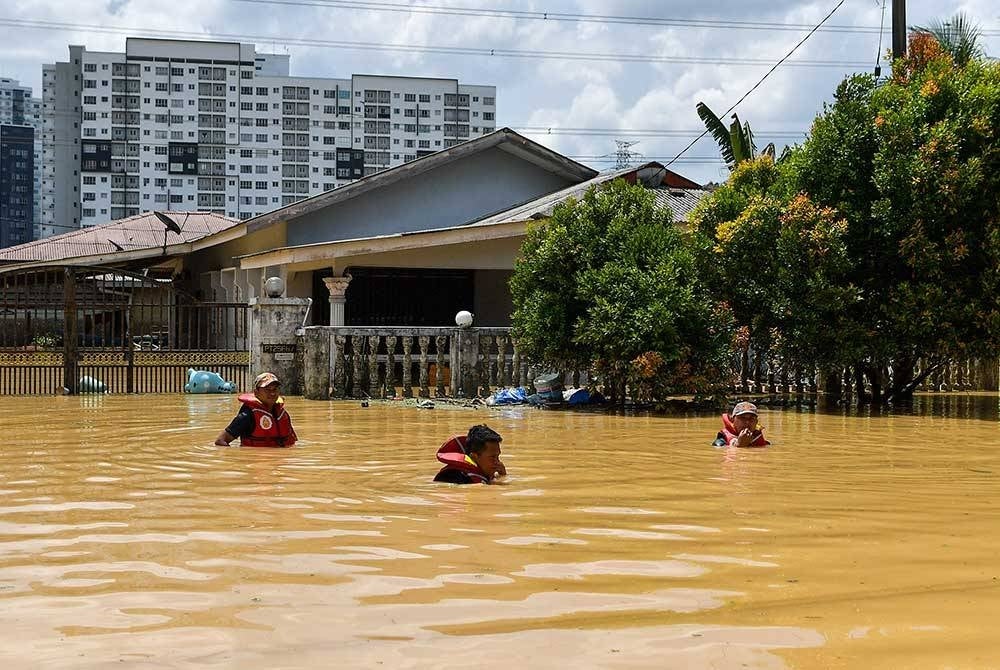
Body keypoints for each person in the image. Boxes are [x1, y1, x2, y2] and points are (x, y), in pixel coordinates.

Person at [215, 372, 298, 447]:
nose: (272, 393)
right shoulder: (247, 416)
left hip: (280, 462)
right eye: (267, 390)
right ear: (256, 393)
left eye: (275, 389)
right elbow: (220, 441)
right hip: (257, 462)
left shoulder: (283, 414)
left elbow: (292, 441)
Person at [433, 424, 507, 484]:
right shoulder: (458, 477)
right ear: (474, 456)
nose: (497, 462)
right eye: (492, 457)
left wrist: (502, 475)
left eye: (497, 456)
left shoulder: (474, 474)